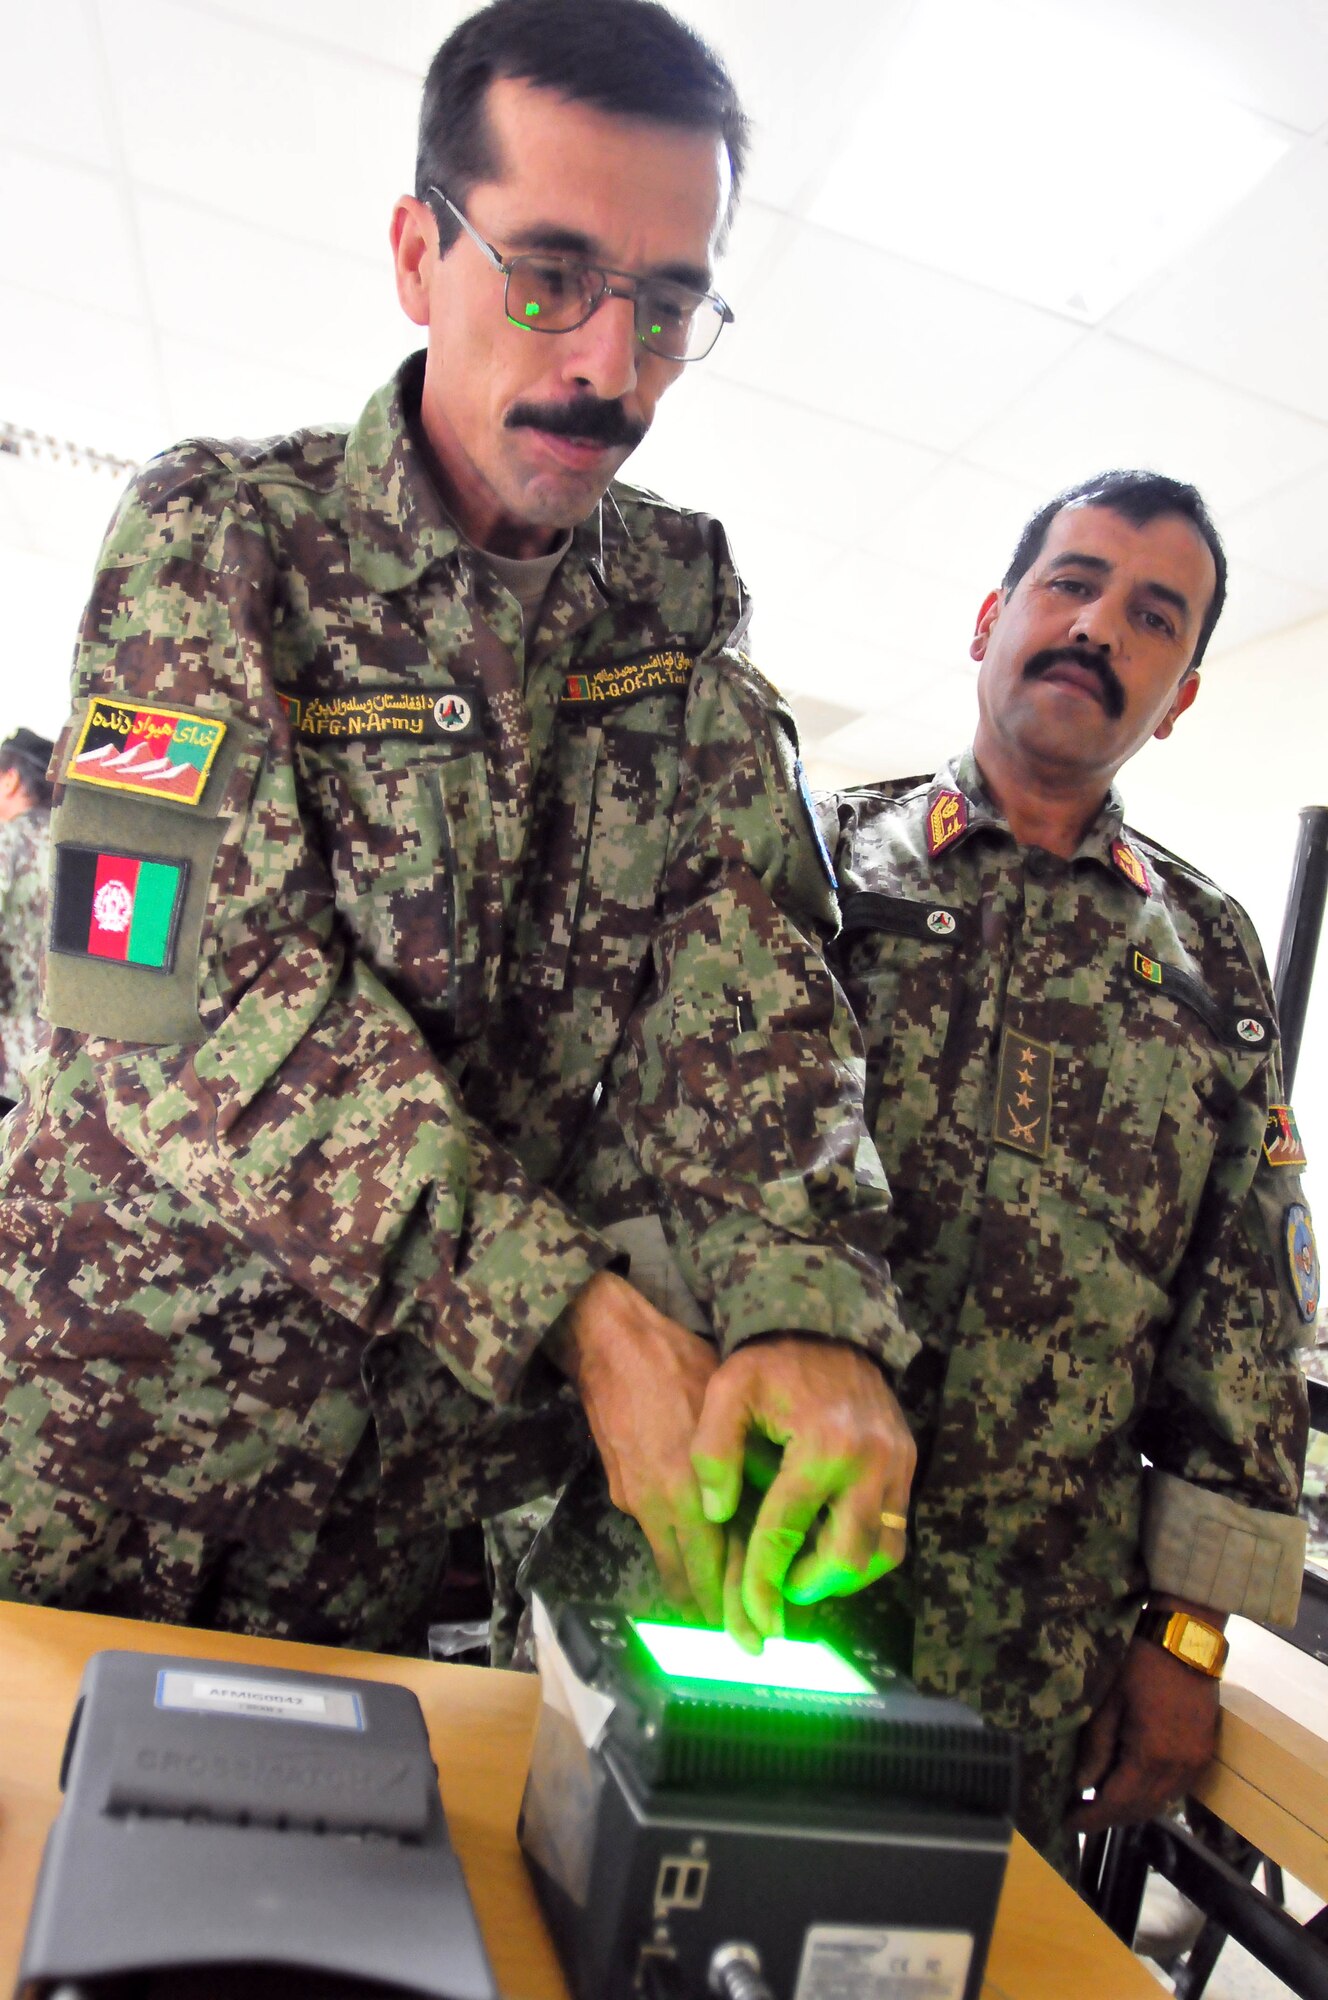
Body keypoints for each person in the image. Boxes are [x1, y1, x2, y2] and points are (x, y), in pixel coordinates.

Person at [0, 0, 914, 1654]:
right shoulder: (219, 540)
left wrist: (805, 1305)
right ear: (421, 253)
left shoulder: (673, 605)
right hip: (108, 1448)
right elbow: (151, 990)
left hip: (388, 1507)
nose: (607, 367)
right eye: (549, 278)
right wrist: (568, 1308)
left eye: (667, 305)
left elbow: (747, 969)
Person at [820, 471, 1311, 1864]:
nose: (1100, 627)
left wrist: (1190, 1633)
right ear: (992, 619)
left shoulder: (1212, 958)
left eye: (1154, 617)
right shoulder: (815, 868)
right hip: (761, 1566)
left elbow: (1248, 1318)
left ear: (1182, 694)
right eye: (1072, 584)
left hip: (1024, 1645)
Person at [0, 729, 54, 1116]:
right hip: (73, 1053)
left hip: (15, 1049)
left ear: (11, 779)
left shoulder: (8, 840)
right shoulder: (74, 840)